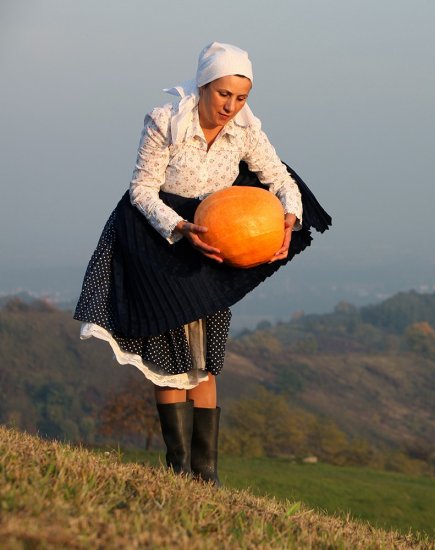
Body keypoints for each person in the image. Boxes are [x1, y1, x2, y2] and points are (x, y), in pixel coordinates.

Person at [74, 42, 330, 485]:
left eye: (241, 97)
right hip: (162, 242)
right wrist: (180, 227)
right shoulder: (165, 122)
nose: (231, 106)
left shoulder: (246, 132)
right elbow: (141, 191)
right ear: (204, 86)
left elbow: (281, 180)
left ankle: (206, 477)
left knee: (206, 362)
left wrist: (288, 219)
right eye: (223, 94)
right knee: (170, 358)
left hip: (215, 246)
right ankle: (177, 471)